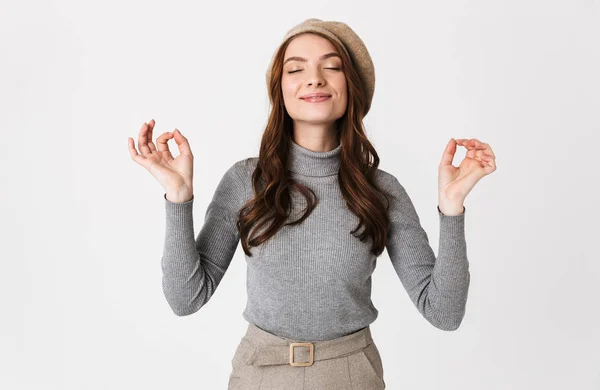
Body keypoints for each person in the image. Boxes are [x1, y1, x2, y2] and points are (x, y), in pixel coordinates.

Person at [128, 18, 496, 390]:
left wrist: (452, 208)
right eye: (296, 68)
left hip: (352, 376)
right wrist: (178, 197)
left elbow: (445, 313)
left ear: (351, 87)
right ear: (280, 89)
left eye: (331, 67)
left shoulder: (381, 191)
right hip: (259, 375)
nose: (315, 78)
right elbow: (186, 299)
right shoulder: (245, 181)